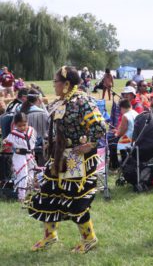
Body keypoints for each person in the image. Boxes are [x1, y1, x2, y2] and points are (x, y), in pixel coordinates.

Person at [27, 66, 106, 253]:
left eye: (56, 81)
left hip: (77, 159)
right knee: (48, 191)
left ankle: (89, 238)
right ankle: (50, 236)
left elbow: (100, 127)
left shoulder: (83, 101)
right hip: (58, 157)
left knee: (75, 198)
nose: (54, 85)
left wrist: (90, 144)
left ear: (67, 84)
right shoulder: (58, 102)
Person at [3, 112, 37, 203]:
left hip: (30, 156)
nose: (22, 127)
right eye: (19, 126)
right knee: (23, 174)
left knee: (31, 174)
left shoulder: (31, 130)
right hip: (19, 157)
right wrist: (5, 143)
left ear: (27, 122)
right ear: (15, 124)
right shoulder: (13, 134)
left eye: (24, 125)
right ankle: (21, 197)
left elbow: (34, 141)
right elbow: (7, 144)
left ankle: (29, 195)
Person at [19, 89, 49, 165]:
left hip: (24, 149)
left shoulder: (21, 111)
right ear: (39, 99)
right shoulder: (43, 113)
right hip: (41, 148)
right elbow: (50, 130)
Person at [115, 99, 138, 163]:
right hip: (136, 138)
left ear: (122, 108)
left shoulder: (125, 116)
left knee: (114, 143)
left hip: (127, 139)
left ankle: (120, 164)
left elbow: (122, 131)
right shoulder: (135, 113)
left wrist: (117, 134)